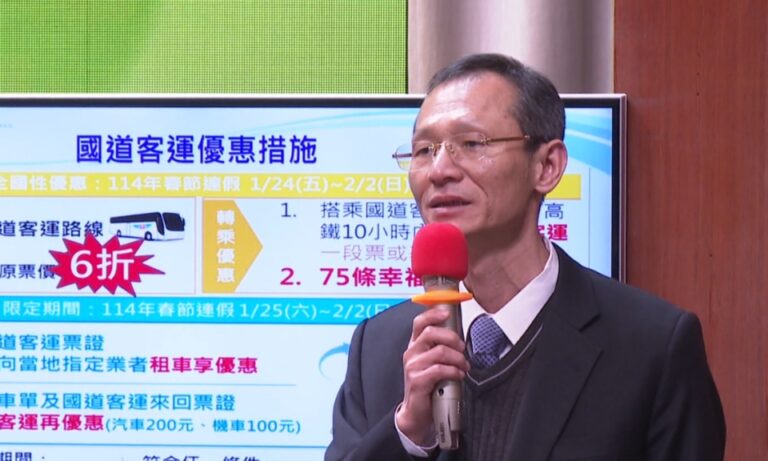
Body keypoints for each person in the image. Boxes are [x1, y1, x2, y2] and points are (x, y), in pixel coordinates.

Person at [325, 53, 725, 461]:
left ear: (547, 166)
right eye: (424, 150)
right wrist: (408, 432)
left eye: (472, 143)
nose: (439, 170)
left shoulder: (652, 346)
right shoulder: (378, 348)